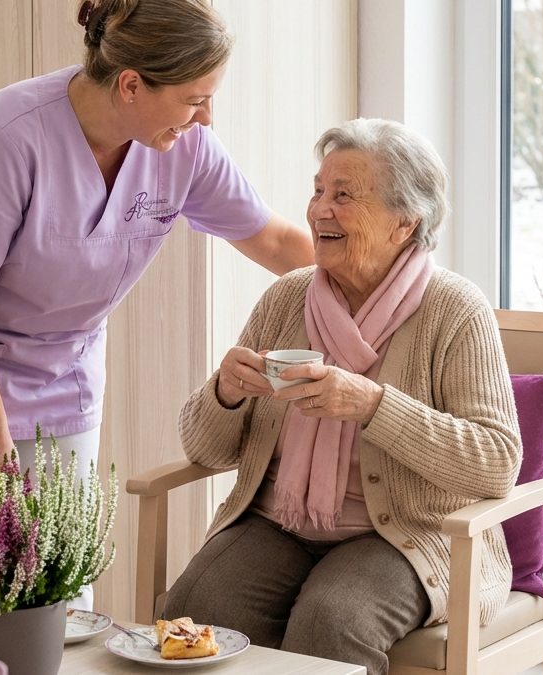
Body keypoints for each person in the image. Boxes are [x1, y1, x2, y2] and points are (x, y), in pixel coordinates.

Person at [0, 0, 313, 606]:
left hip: (62, 365)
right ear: (131, 84)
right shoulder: (4, 137)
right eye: (194, 98)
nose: (206, 117)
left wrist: (401, 282)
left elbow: (276, 240)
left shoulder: (183, 147)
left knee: (64, 575)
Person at [163, 118, 522, 674]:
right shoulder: (286, 299)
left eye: (344, 196)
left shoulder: (455, 309)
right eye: (318, 191)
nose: (318, 210)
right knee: (195, 607)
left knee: (331, 620)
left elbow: (496, 462)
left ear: (404, 223)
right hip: (277, 522)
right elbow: (204, 449)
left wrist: (373, 406)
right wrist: (226, 393)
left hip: (405, 534)